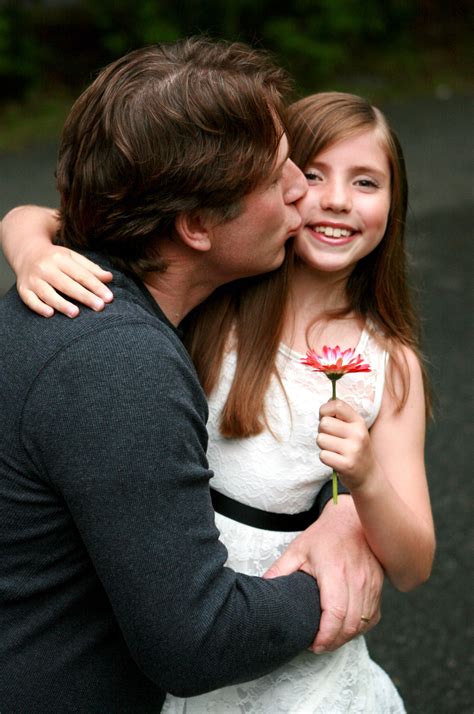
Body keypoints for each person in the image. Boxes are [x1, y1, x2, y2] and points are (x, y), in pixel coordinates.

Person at [2, 90, 435, 711]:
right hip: (184, 612)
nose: (336, 198)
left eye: (366, 181)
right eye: (312, 175)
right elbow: (34, 217)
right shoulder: (222, 299)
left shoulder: (390, 365)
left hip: (296, 663)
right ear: (278, 191)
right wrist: (30, 247)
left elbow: (414, 563)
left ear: (395, 205)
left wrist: (363, 484)